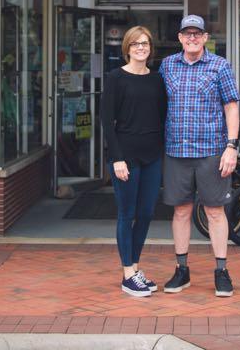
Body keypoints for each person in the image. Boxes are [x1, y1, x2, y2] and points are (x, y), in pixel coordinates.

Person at [160, 15, 240, 297]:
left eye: (197, 33)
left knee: (214, 211)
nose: (192, 38)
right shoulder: (167, 65)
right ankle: (182, 270)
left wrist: (231, 146)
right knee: (181, 211)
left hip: (211, 151)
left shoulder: (219, 66)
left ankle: (221, 272)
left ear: (205, 37)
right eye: (187, 33)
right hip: (176, 151)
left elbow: (231, 106)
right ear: (180, 38)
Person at [100, 25, 167, 297]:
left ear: (150, 48)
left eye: (145, 43)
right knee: (127, 214)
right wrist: (116, 158)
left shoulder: (157, 79)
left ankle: (135, 268)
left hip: (152, 156)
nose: (141, 47)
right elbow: (107, 121)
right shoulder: (115, 78)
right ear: (127, 48)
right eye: (135, 43)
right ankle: (128, 274)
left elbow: (162, 117)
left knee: (147, 213)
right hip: (126, 156)